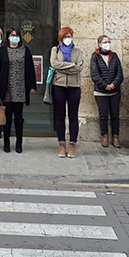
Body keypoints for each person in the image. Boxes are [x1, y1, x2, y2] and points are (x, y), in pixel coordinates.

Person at [0, 27, 37, 154]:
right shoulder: (3, 50)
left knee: (18, 118)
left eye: (17, 35)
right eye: (12, 35)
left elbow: (30, 69)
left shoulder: (25, 50)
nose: (14, 37)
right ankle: (6, 143)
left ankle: (19, 143)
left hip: (20, 88)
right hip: (6, 88)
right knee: (6, 118)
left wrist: (32, 86)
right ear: (8, 37)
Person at [50, 26, 84, 158]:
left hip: (74, 86)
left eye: (70, 36)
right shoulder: (55, 50)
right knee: (59, 116)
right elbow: (54, 64)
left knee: (73, 116)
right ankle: (61, 144)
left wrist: (63, 66)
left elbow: (80, 67)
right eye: (65, 36)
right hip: (59, 85)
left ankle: (72, 144)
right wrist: (72, 65)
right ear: (61, 38)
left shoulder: (78, 51)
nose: (68, 39)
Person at [90, 35, 123, 149]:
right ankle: (105, 136)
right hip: (101, 92)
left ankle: (116, 137)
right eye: (105, 42)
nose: (107, 44)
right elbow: (94, 74)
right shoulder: (95, 57)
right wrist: (105, 85)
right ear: (99, 44)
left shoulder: (114, 56)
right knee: (103, 115)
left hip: (115, 92)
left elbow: (120, 73)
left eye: (109, 41)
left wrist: (114, 84)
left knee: (115, 115)